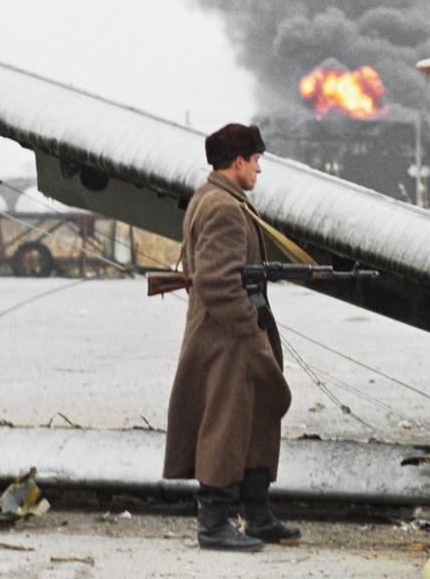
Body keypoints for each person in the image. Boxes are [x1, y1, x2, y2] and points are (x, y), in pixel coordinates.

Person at [163, 123, 300, 551]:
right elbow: (219, 282)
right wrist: (251, 330)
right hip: (228, 340)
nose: (260, 169)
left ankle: (257, 514)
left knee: (257, 418)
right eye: (256, 160)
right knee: (225, 425)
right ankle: (214, 524)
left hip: (229, 335)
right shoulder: (223, 207)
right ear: (238, 162)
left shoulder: (216, 198)